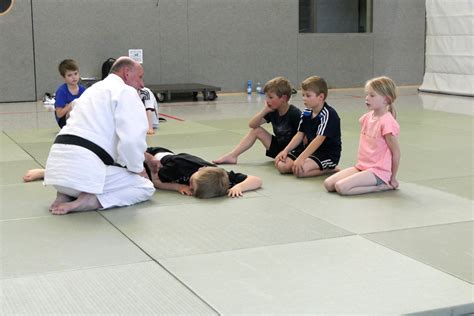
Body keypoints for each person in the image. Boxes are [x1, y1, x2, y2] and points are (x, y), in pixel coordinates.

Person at [43, 56, 155, 215]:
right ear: (126, 73)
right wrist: (138, 168)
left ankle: (64, 195)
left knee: (90, 165)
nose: (142, 84)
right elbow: (131, 140)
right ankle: (92, 200)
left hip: (56, 173)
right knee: (144, 187)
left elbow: (73, 120)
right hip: (82, 176)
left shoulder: (91, 91)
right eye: (140, 77)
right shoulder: (126, 91)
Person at [324, 76, 400, 195]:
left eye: (372, 95)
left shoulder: (387, 123)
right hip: (362, 167)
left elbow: (396, 152)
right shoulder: (367, 117)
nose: (367, 98)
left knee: (341, 187)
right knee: (328, 184)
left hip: (378, 172)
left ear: (386, 100)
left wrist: (393, 177)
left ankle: (381, 186)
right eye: (367, 94)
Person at [213, 76, 302, 164]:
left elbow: (303, 136)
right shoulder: (273, 111)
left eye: (271, 98)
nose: (267, 101)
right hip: (279, 147)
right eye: (266, 97)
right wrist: (265, 110)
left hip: (293, 150)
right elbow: (252, 125)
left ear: (283, 98)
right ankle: (232, 155)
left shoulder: (294, 113)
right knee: (256, 130)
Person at [275, 76, 341, 177]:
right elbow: (299, 134)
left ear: (321, 97)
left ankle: (331, 168)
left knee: (299, 171)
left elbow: (319, 139)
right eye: (303, 95)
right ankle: (308, 163)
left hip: (326, 154)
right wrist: (286, 150)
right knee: (282, 166)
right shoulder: (306, 113)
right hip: (310, 150)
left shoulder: (328, 114)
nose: (304, 98)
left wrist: (301, 158)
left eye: (308, 96)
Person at [145, 147, 262, 198]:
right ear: (201, 168)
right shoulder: (177, 166)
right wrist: (178, 186)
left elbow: (257, 180)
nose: (189, 187)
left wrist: (239, 187)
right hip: (153, 158)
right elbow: (156, 181)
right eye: (191, 183)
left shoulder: (221, 177)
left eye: (193, 188)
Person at [54, 59, 86, 128]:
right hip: (64, 120)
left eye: (75, 73)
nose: (74, 77)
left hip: (79, 118)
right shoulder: (62, 91)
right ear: (64, 77)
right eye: (69, 75)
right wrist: (72, 104)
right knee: (72, 110)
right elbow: (59, 114)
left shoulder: (83, 90)